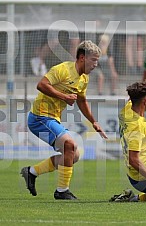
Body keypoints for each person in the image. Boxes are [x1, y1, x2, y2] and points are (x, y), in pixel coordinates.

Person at [20, 40, 108, 200]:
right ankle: (62, 191)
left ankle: (32, 172)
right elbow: (41, 85)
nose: (96, 64)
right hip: (39, 117)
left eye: (97, 60)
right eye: (93, 60)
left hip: (52, 119)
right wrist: (64, 96)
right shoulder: (63, 69)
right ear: (82, 57)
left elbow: (81, 101)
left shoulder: (84, 79)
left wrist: (93, 121)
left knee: (73, 155)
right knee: (70, 145)